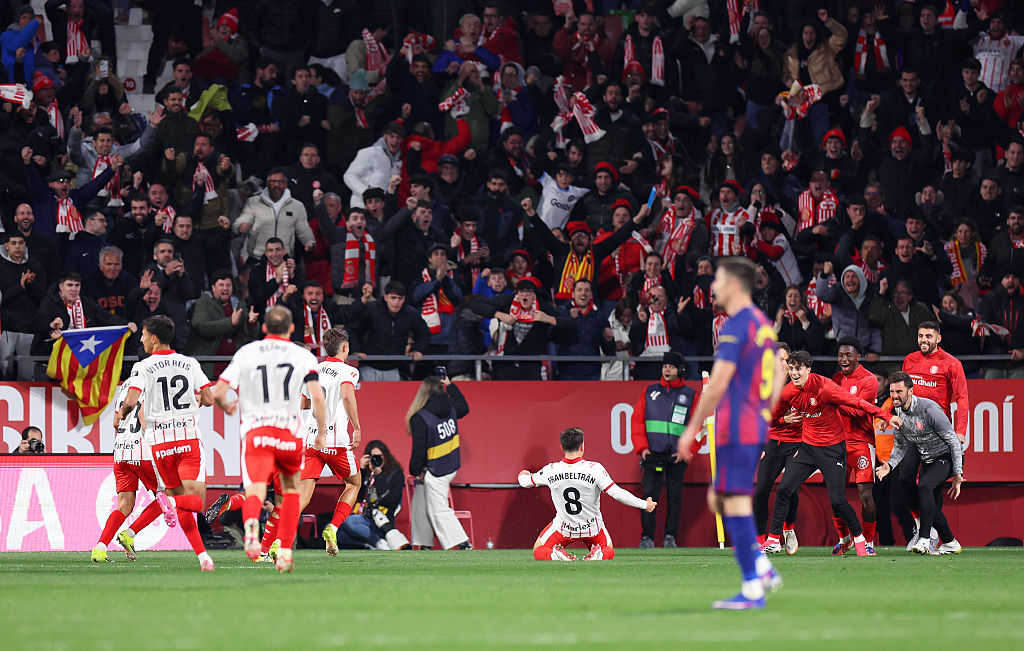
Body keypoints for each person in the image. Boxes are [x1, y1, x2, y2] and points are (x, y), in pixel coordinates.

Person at [677, 257, 784, 609]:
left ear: (735, 285)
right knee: (719, 499)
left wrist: (691, 430)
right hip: (748, 423)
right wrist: (764, 410)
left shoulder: (737, 324)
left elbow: (718, 382)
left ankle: (754, 584)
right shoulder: (763, 325)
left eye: (718, 279)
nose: (713, 285)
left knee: (732, 501)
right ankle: (761, 568)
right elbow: (780, 372)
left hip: (737, 425)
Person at [212, 306, 327, 573]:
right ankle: (284, 552)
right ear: (290, 329)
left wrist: (226, 405)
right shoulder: (302, 355)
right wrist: (321, 434)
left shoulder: (247, 352)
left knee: (255, 490)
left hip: (257, 433)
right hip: (289, 435)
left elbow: (219, 390)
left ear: (264, 328)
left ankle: (251, 529)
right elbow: (317, 398)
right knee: (289, 495)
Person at [761, 350, 898, 558]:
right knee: (784, 489)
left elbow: (857, 403)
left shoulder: (825, 387)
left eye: (798, 369)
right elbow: (771, 418)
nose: (794, 373)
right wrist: (782, 422)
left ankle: (860, 540)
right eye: (791, 369)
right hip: (807, 448)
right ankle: (772, 540)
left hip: (832, 450)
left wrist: (886, 415)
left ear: (808, 369)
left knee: (837, 500)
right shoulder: (788, 392)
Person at [116, 316, 215, 571]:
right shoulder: (190, 363)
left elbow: (130, 402)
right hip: (188, 441)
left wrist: (120, 417)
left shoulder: (143, 367)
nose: (141, 339)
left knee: (176, 499)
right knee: (192, 502)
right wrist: (197, 400)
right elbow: (209, 397)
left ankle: (203, 557)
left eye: (143, 335)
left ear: (153, 338)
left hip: (161, 446)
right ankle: (223, 509)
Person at [518, 426, 655, 562]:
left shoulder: (551, 470)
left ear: (562, 447)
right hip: (593, 529)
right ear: (582, 446)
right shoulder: (594, 469)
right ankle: (599, 554)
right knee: (609, 551)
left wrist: (523, 474)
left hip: (564, 528)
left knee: (539, 550)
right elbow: (617, 493)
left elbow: (524, 482)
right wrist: (644, 504)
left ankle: (555, 555)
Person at [899, 321, 969, 550]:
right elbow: (902, 393)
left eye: (929, 336)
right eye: (920, 336)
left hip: (936, 434)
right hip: (912, 432)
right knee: (905, 478)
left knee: (930, 486)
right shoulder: (909, 360)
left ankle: (930, 537)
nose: (924, 340)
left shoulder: (952, 364)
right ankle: (920, 525)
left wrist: (960, 432)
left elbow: (962, 398)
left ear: (938, 338)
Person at [877, 372, 964, 555]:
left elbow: (954, 441)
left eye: (899, 391)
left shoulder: (929, 409)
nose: (894, 396)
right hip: (928, 460)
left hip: (946, 456)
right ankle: (950, 541)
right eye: (892, 391)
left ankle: (924, 538)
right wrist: (889, 466)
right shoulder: (899, 412)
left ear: (910, 391)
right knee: (926, 498)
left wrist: (958, 473)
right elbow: (900, 446)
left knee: (924, 486)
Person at [91, 380, 172, 563]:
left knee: (124, 505)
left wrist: (122, 445)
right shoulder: (155, 383)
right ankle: (129, 534)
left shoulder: (126, 387)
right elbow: (143, 416)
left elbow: (115, 422)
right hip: (144, 451)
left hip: (121, 450)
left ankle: (100, 549)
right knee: (170, 494)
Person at [297, 326, 362, 556]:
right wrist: (357, 427)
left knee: (303, 495)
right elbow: (346, 395)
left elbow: (304, 404)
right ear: (345, 348)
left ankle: (278, 540)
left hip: (312, 440)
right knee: (354, 483)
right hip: (336, 441)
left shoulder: (313, 369)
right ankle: (332, 528)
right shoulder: (349, 372)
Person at [630, 351, 693, 549]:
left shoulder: (690, 395)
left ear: (680, 370)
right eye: (665, 366)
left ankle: (670, 537)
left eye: (672, 367)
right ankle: (646, 538)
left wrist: (686, 450)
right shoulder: (649, 392)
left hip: (677, 456)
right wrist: (642, 448)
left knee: (675, 497)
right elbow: (637, 421)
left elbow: (698, 427)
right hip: (652, 454)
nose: (667, 369)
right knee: (649, 496)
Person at [407, 375, 471, 550]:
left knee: (439, 509)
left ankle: (463, 543)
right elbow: (465, 408)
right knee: (420, 500)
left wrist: (415, 470)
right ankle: (424, 543)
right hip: (451, 464)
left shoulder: (420, 417)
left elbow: (419, 452)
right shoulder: (450, 407)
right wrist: (451, 386)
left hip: (436, 470)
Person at [832, 338, 880, 554]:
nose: (843, 359)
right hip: (838, 444)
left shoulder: (869, 380)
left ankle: (868, 542)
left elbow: (860, 411)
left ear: (858, 357)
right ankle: (845, 539)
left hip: (862, 443)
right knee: (836, 495)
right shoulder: (835, 378)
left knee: (865, 495)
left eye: (848, 355)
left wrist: (835, 402)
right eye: (841, 355)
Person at [751, 343, 800, 550]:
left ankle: (788, 530)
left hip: (798, 443)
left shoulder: (801, 383)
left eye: (783, 359)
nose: (779, 364)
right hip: (773, 442)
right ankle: (760, 539)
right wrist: (781, 421)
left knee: (789, 489)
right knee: (761, 491)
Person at [336, 440, 409, 550]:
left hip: (380, 520)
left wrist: (379, 475)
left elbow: (390, 501)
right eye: (373, 457)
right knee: (333, 531)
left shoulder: (395, 474)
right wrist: (360, 470)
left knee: (349, 521)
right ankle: (369, 545)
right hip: (362, 517)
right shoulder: (366, 473)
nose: (376, 460)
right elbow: (357, 496)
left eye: (379, 456)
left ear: (386, 456)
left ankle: (378, 542)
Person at [351, 281, 431, 381]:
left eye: (400, 299)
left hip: (396, 367)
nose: (396, 302)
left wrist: (418, 350)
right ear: (386, 297)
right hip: (369, 364)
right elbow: (352, 328)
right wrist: (355, 350)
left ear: (404, 299)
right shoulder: (371, 309)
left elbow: (424, 333)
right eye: (393, 298)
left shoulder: (411, 313)